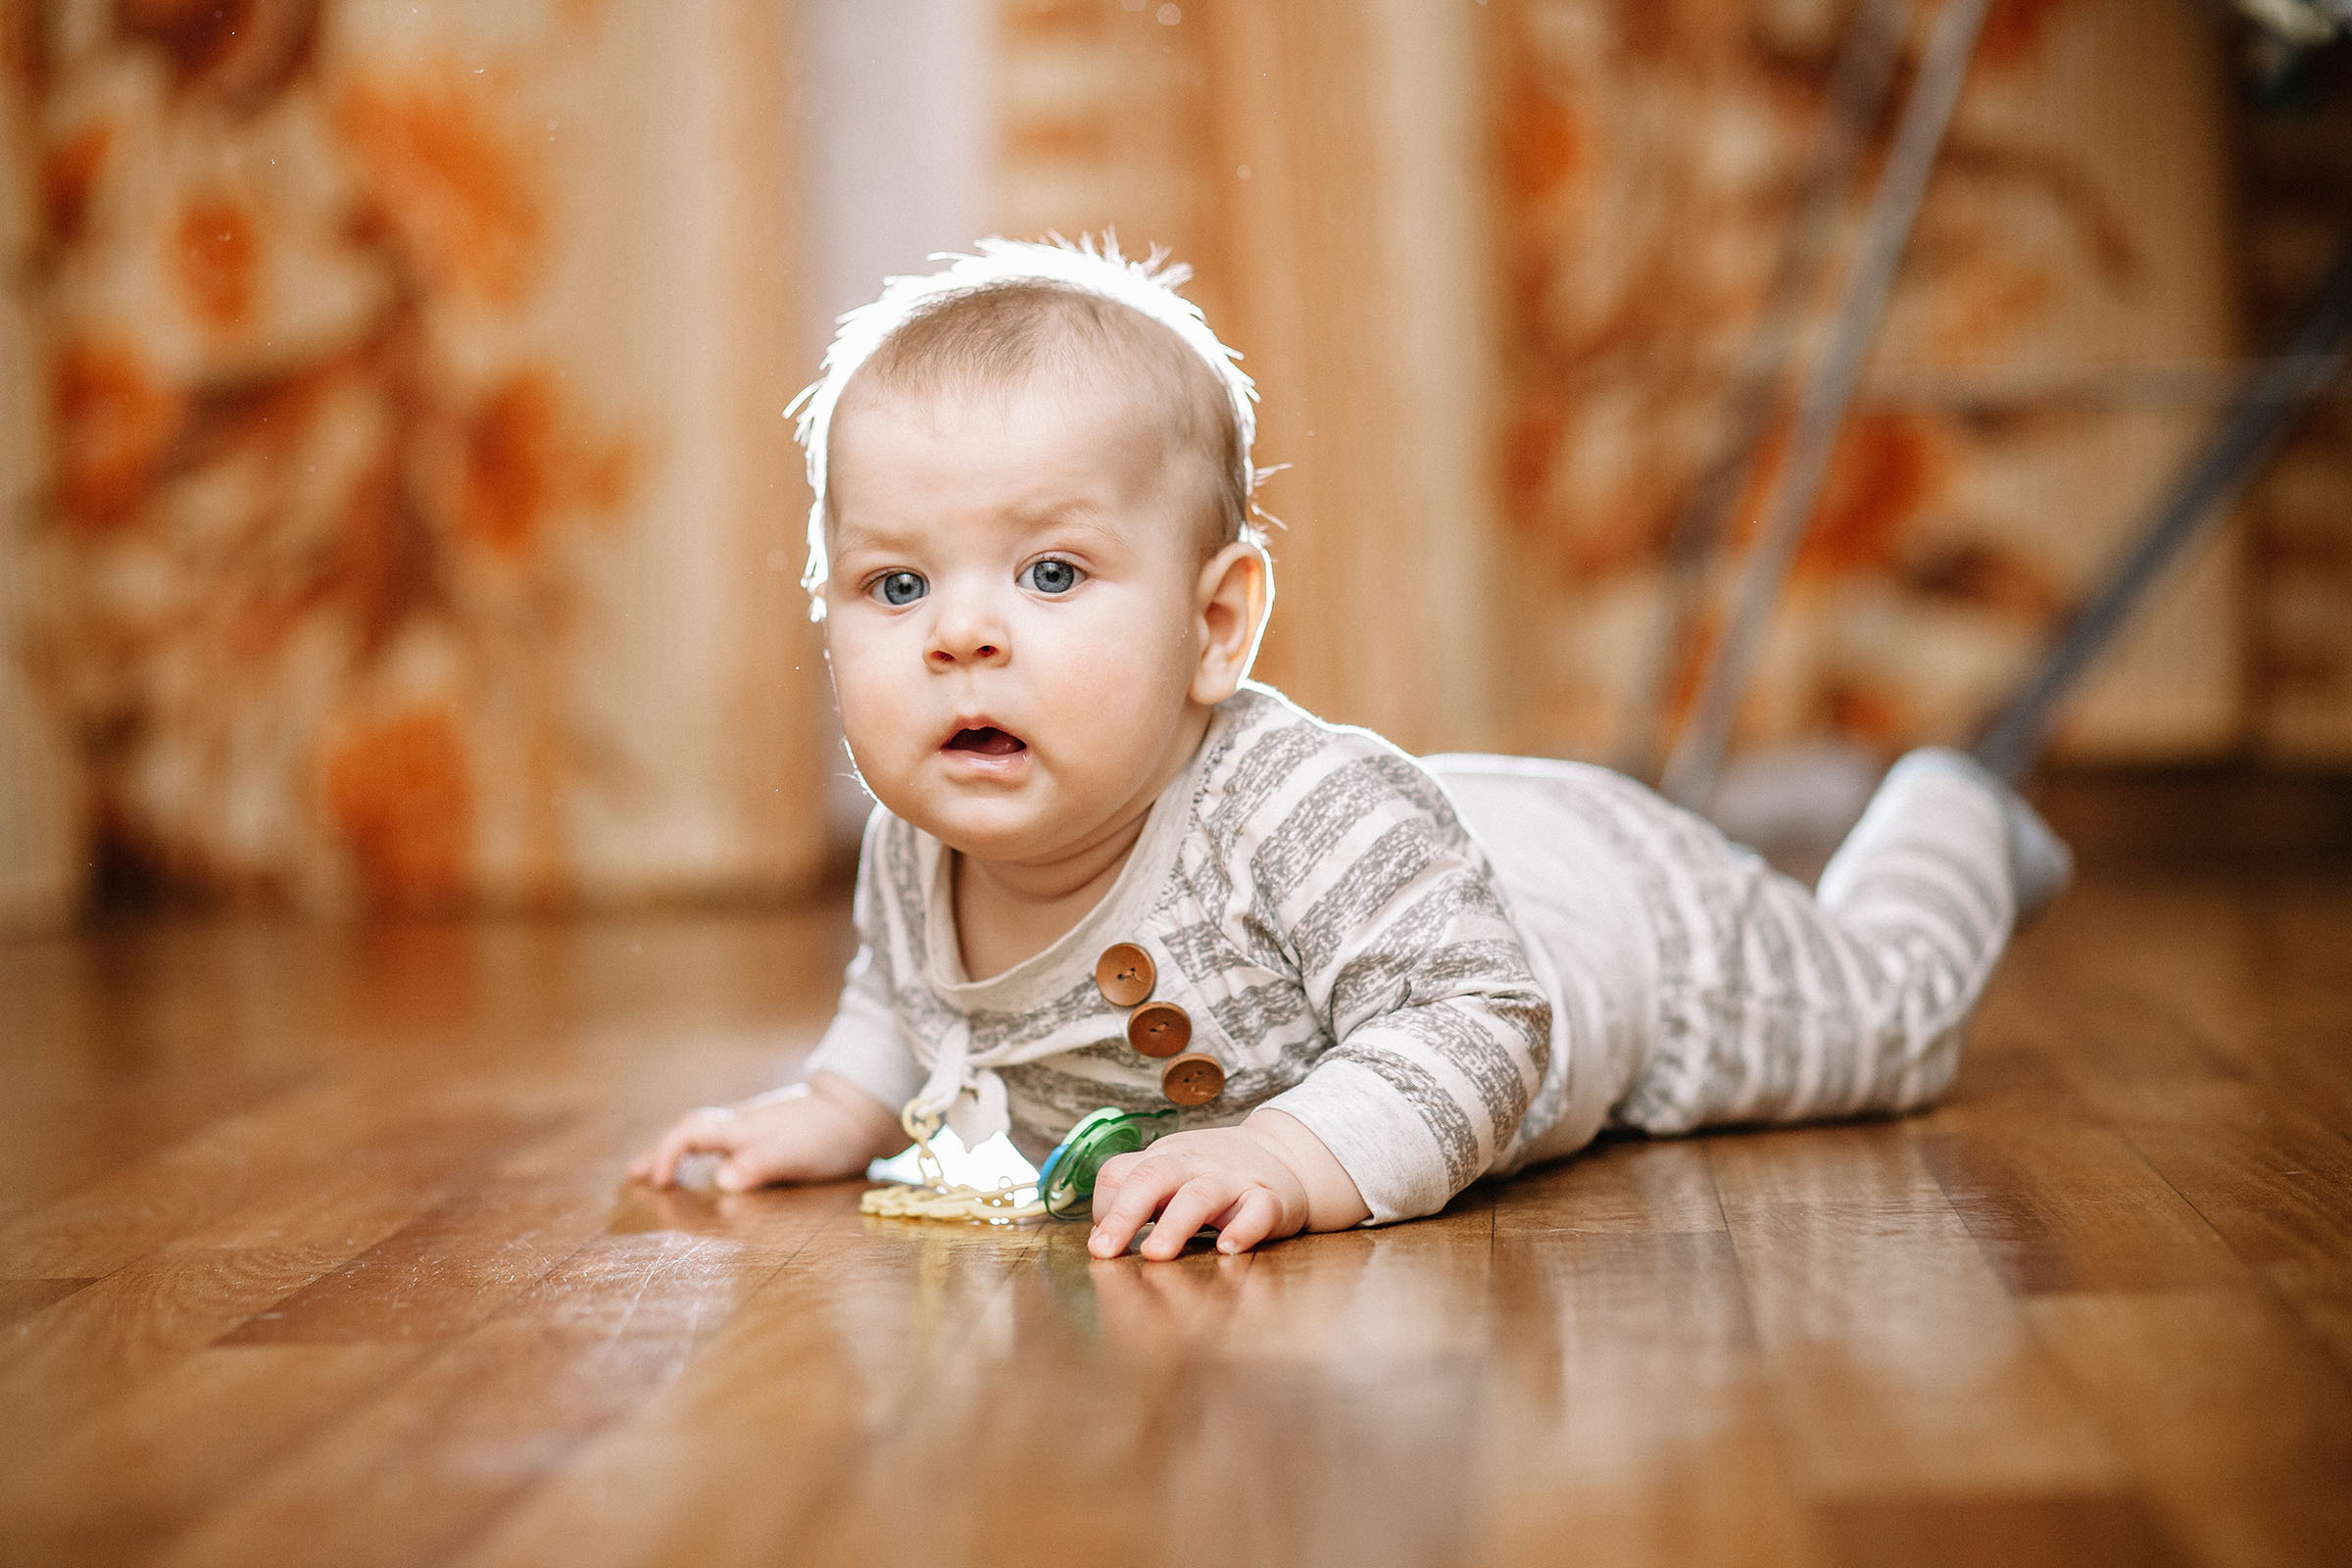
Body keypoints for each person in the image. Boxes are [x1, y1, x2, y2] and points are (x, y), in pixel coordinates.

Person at [629, 237, 2071, 1261]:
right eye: (896, 586)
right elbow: (911, 1000)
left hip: (1612, 927)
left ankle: (1953, 815)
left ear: (1217, 624)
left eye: (1052, 574)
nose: (959, 637)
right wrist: (835, 1105)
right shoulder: (915, 840)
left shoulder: (1288, 811)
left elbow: (1486, 1021)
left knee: (1893, 1023)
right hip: (1435, 863)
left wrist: (1289, 1154)